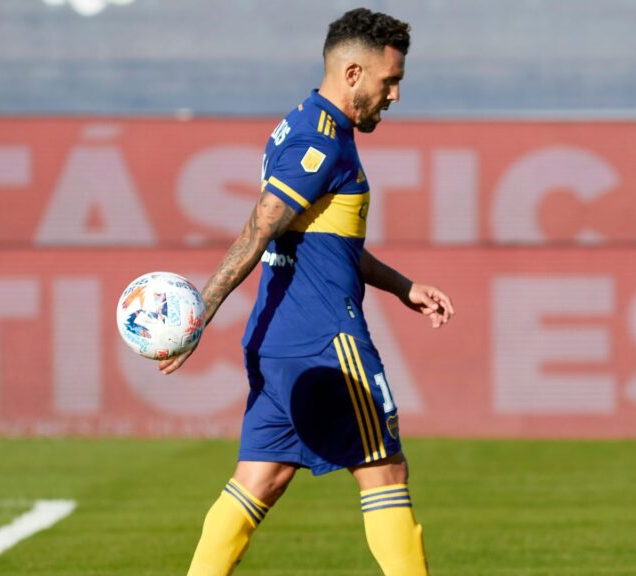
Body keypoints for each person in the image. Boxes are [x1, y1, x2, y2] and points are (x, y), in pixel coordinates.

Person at [158, 8, 454, 576]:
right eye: (389, 81)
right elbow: (260, 227)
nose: (394, 95)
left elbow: (323, 242)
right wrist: (199, 312)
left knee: (259, 480)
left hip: (275, 345)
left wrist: (402, 286)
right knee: (385, 472)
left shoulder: (301, 124)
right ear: (352, 73)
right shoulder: (321, 142)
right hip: (326, 343)